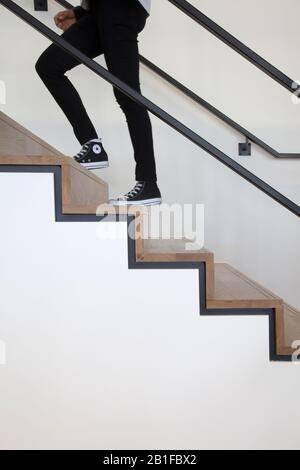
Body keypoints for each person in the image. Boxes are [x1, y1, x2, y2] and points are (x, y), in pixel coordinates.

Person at [35, 0, 162, 206]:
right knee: (48, 66)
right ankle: (92, 146)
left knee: (128, 96)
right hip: (101, 10)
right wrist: (82, 11)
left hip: (121, 9)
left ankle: (148, 183)